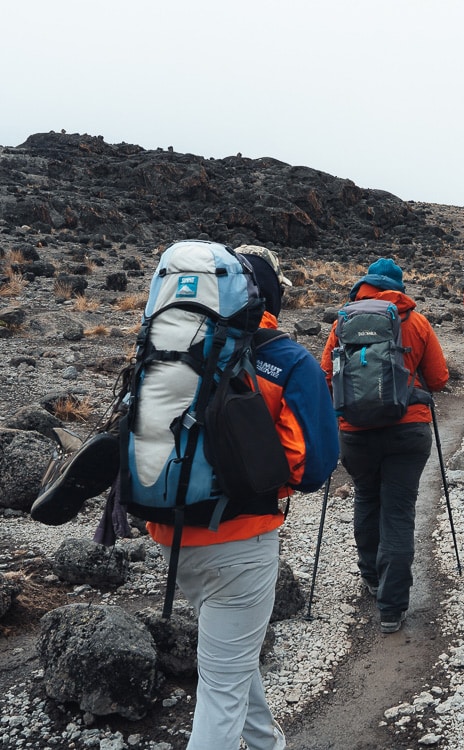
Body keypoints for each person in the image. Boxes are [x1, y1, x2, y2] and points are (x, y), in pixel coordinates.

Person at [145, 244, 340, 750]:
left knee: (230, 655)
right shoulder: (287, 360)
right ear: (270, 294)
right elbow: (314, 470)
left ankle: (268, 744)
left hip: (170, 529)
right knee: (221, 692)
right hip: (240, 544)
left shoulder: (170, 343)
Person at [320, 258, 449, 634]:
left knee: (366, 498)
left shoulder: (341, 323)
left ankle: (372, 577)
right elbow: (439, 379)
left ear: (364, 287)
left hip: (355, 433)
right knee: (398, 509)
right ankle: (391, 608)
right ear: (398, 288)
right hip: (408, 433)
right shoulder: (416, 320)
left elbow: (326, 374)